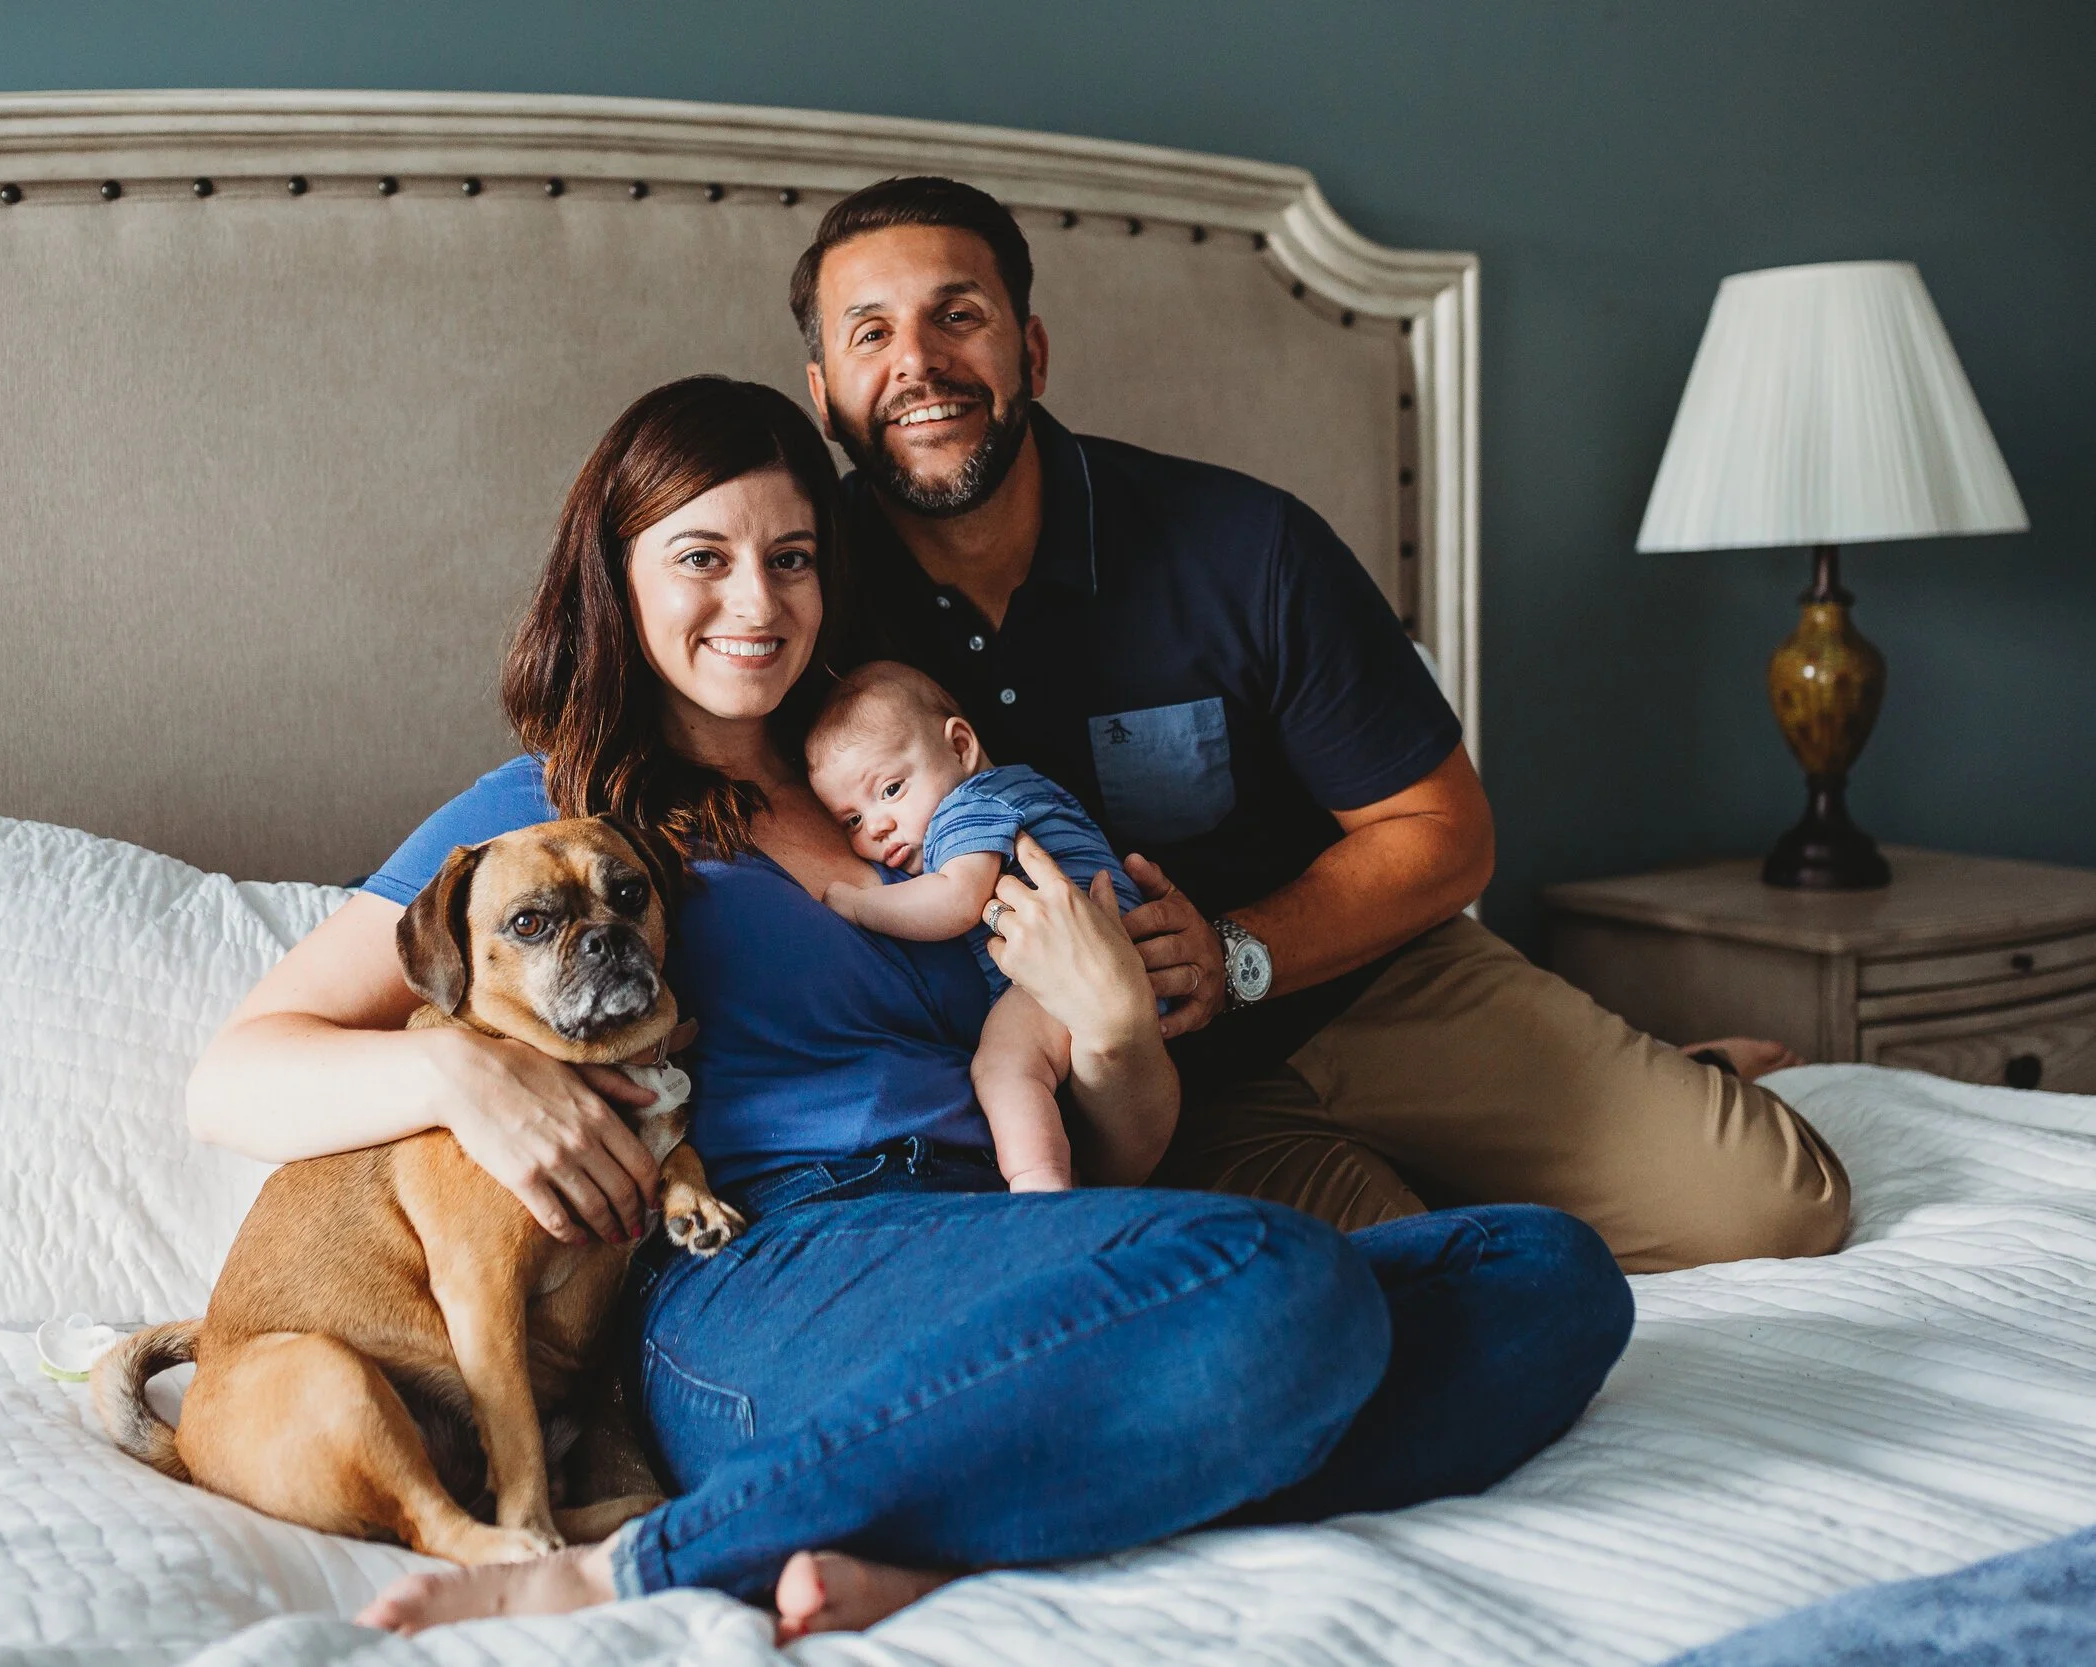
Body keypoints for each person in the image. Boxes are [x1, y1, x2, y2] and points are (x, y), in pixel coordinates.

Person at [184, 375, 1635, 1639]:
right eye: (702, 556)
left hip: (999, 1224)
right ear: (614, 575)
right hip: (760, 1268)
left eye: (793, 558)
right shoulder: (557, 817)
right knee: (1280, 1285)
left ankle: (930, 1535)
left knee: (1546, 1279)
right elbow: (235, 1072)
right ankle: (633, 1562)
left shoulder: (920, 808)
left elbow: (1110, 1154)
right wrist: (464, 1080)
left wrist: (1119, 1033)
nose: (757, 604)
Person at [790, 176, 1847, 1274]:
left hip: (1371, 987)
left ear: (1033, 351)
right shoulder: (798, 605)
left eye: (957, 315)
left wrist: (1236, 951)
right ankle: (1559, 1133)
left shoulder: (1244, 545)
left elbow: (1447, 826)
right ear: (823, 394)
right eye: (871, 334)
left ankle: (1654, 1090)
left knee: (1778, 1211)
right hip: (1153, 1096)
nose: (916, 361)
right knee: (1432, 1294)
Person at [807, 658, 1158, 1192]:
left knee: (1003, 1068)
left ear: (960, 747)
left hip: (1074, 965)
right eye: (852, 820)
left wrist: (858, 907)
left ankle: (1040, 1186)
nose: (877, 825)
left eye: (891, 789)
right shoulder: (1024, 788)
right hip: (1120, 962)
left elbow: (956, 902)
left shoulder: (966, 809)